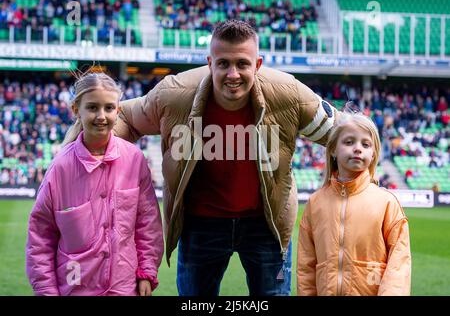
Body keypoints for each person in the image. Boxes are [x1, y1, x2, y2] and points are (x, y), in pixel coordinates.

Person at [112, 19, 340, 296]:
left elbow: (344, 134)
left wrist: (353, 193)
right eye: (223, 64)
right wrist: (89, 167)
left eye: (242, 64)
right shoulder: (174, 94)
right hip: (201, 222)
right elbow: (122, 117)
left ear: (258, 64)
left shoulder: (288, 94)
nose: (233, 74)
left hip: (266, 224)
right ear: (210, 63)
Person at [26, 73, 164, 296]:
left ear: (117, 111)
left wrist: (146, 272)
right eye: (92, 108)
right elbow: (40, 237)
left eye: (109, 108)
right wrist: (46, 291)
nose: (101, 116)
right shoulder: (60, 168)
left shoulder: (134, 159)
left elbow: (147, 223)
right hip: (75, 287)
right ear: (75, 110)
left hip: (125, 288)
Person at [297, 112, 411, 296]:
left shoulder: (387, 203)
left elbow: (399, 265)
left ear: (373, 153)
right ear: (333, 149)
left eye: (365, 144)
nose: (358, 148)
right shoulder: (315, 203)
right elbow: (306, 266)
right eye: (349, 142)